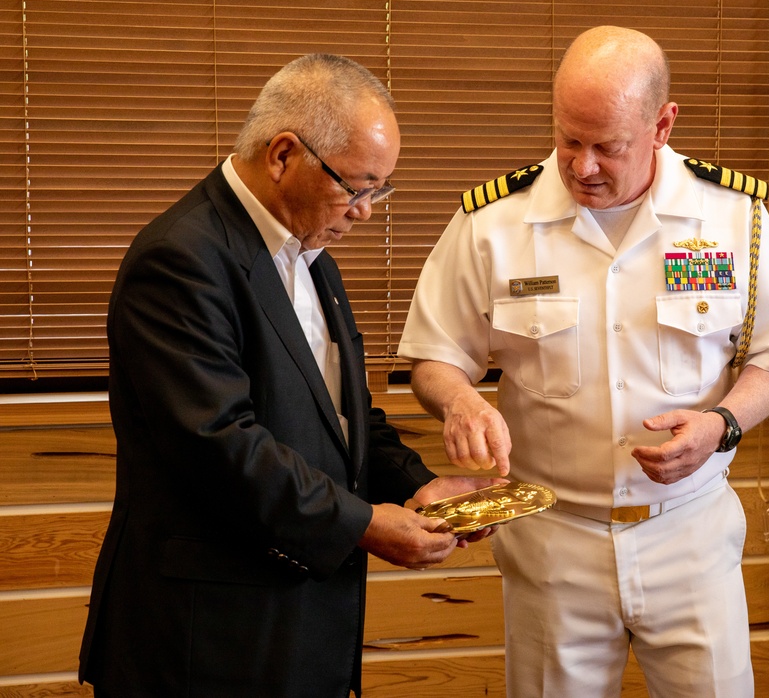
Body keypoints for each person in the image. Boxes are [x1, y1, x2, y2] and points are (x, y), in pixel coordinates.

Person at [398, 26, 769, 697]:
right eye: (569, 139)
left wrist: (720, 425)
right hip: (551, 538)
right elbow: (433, 357)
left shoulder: (730, 215)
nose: (582, 166)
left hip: (689, 533)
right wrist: (457, 399)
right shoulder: (495, 223)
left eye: (607, 146)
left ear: (662, 124)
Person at [78, 53, 501, 698]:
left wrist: (420, 487)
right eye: (357, 187)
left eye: (380, 190)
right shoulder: (180, 259)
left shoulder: (307, 246)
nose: (365, 211)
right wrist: (363, 525)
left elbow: (341, 416)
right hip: (208, 635)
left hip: (301, 620)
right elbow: (221, 446)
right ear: (282, 155)